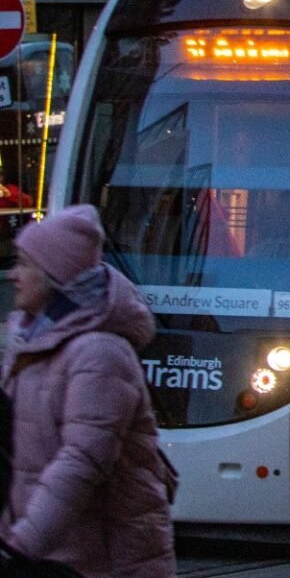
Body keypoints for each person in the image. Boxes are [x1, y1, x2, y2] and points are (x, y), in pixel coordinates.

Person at [4, 205, 174, 578]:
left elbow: (81, 460)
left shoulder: (99, 353)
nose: (14, 275)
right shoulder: (26, 338)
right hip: (52, 558)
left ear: (53, 277)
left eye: (25, 264)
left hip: (102, 562)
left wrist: (24, 542)